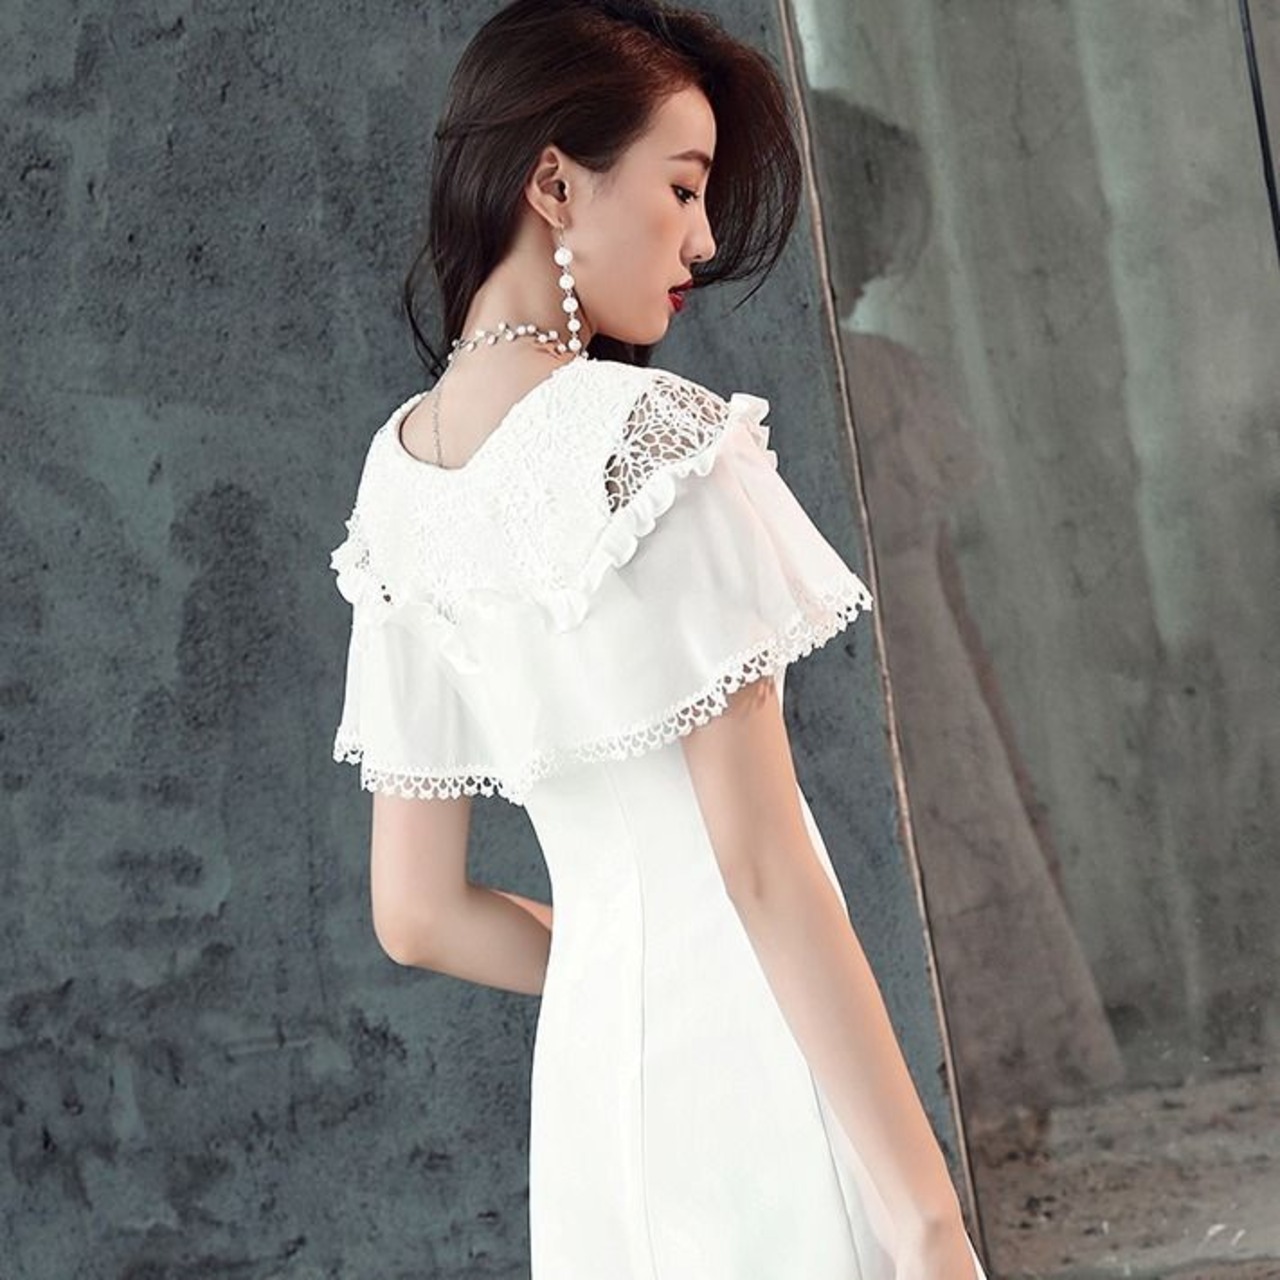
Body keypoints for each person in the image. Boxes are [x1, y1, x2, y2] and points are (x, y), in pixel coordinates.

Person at [329, 2, 989, 1276]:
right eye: (682, 188)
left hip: (593, 1104)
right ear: (552, 184)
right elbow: (762, 868)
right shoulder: (655, 440)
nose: (703, 238)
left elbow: (417, 914)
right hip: (760, 1068)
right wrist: (926, 1218)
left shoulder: (395, 484)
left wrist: (615, 969)